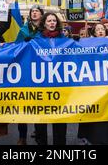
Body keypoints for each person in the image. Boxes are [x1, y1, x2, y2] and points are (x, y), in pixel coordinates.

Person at [78, 23, 108, 145]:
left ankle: (107, 139)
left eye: (103, 29)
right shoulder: (87, 44)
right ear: (94, 33)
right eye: (98, 29)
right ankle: (88, 139)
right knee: (92, 114)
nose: (101, 31)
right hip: (92, 85)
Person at [33, 13, 67, 145]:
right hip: (41, 86)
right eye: (49, 21)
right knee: (41, 121)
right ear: (44, 23)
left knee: (60, 122)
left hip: (59, 86)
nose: (52, 23)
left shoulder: (64, 40)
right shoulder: (36, 39)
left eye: (54, 21)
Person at [15, 5, 44, 145]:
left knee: (38, 105)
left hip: (40, 71)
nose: (34, 13)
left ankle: (39, 135)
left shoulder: (45, 31)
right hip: (25, 70)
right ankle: (22, 137)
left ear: (41, 15)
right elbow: (15, 47)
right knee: (23, 104)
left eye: (37, 11)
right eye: (32, 12)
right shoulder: (23, 30)